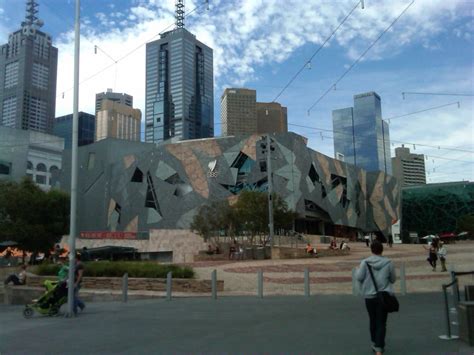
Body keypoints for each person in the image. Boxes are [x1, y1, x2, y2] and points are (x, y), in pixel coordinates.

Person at [356, 240, 396, 355]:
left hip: (369, 296)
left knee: (373, 320)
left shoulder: (365, 262)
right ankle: (379, 347)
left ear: (371, 250)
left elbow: (359, 277)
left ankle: (375, 343)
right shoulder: (389, 263)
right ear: (382, 250)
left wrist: (358, 270)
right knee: (382, 322)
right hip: (384, 296)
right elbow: (393, 279)